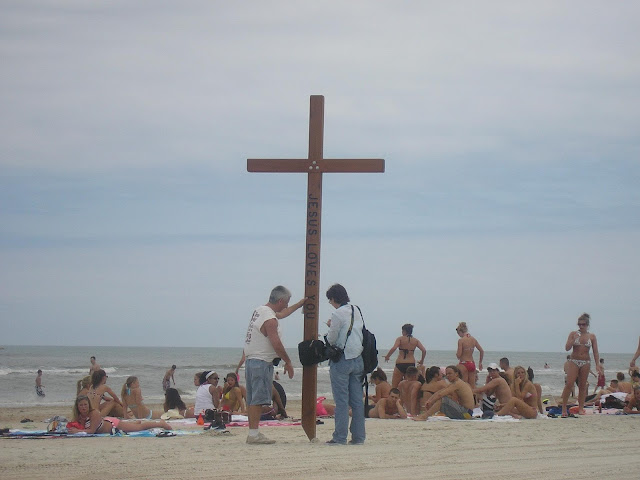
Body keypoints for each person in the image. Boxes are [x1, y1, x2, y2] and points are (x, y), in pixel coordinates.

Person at [244, 285, 305, 445]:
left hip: (252, 360)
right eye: (287, 302)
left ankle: (253, 432)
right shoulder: (270, 319)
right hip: (261, 361)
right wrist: (288, 361)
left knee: (252, 399)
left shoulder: (261, 310)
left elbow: (283, 313)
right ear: (280, 301)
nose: (287, 305)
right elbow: (276, 343)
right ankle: (253, 434)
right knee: (257, 399)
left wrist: (300, 304)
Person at [325, 283, 365, 445]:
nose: (330, 303)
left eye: (330, 300)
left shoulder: (337, 313)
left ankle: (340, 437)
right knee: (357, 401)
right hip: (358, 357)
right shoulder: (356, 310)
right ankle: (358, 437)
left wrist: (329, 327)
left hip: (342, 358)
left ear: (334, 298)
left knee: (341, 401)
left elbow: (332, 338)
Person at [560, 313, 603, 417]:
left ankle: (580, 408)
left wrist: (597, 364)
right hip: (574, 360)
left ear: (587, 325)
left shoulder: (592, 336)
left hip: (586, 362)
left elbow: (595, 352)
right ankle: (564, 408)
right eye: (579, 324)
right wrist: (573, 339)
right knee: (569, 384)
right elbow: (567, 348)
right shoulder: (573, 334)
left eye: (583, 324)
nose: (581, 326)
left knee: (582, 386)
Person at [67, 395, 171, 434]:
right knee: (134, 426)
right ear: (77, 407)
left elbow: (91, 431)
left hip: (114, 425)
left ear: (88, 405)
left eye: (85, 404)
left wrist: (77, 431)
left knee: (139, 428)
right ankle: (135, 422)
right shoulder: (79, 416)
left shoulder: (93, 413)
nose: (83, 407)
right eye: (81, 405)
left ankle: (160, 423)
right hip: (109, 422)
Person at [383, 324, 427, 388]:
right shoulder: (415, 340)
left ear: (404, 331)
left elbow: (394, 348)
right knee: (408, 386)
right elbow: (424, 350)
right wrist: (422, 360)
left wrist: (387, 356)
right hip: (411, 364)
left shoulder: (400, 339)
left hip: (400, 363)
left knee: (395, 386)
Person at [455, 322, 484, 388]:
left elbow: (459, 355)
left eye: (458, 333)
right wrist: (480, 362)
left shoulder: (461, 340)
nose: (459, 335)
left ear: (460, 332)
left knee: (464, 385)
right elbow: (481, 351)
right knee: (472, 385)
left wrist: (457, 354)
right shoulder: (473, 339)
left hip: (463, 363)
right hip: (471, 363)